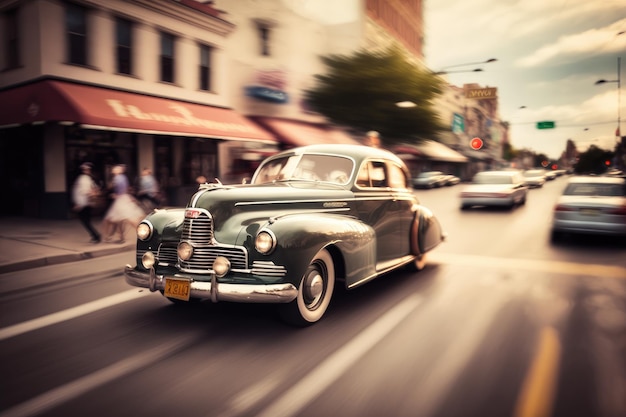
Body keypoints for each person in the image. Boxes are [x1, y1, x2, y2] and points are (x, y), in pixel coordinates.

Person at [102, 164, 145, 243]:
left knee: (114, 219)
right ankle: (121, 237)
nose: (113, 170)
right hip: (124, 198)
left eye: (115, 169)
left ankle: (109, 237)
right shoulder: (123, 177)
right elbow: (125, 189)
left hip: (120, 200)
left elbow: (117, 189)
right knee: (123, 219)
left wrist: (115, 195)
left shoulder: (117, 178)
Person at [71, 162, 102, 244]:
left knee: (85, 221)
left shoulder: (84, 178)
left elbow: (83, 191)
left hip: (84, 203)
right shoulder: (86, 178)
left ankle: (96, 236)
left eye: (88, 169)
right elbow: (79, 191)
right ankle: (95, 236)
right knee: (86, 221)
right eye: (85, 169)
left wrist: (92, 193)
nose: (87, 170)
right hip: (85, 202)